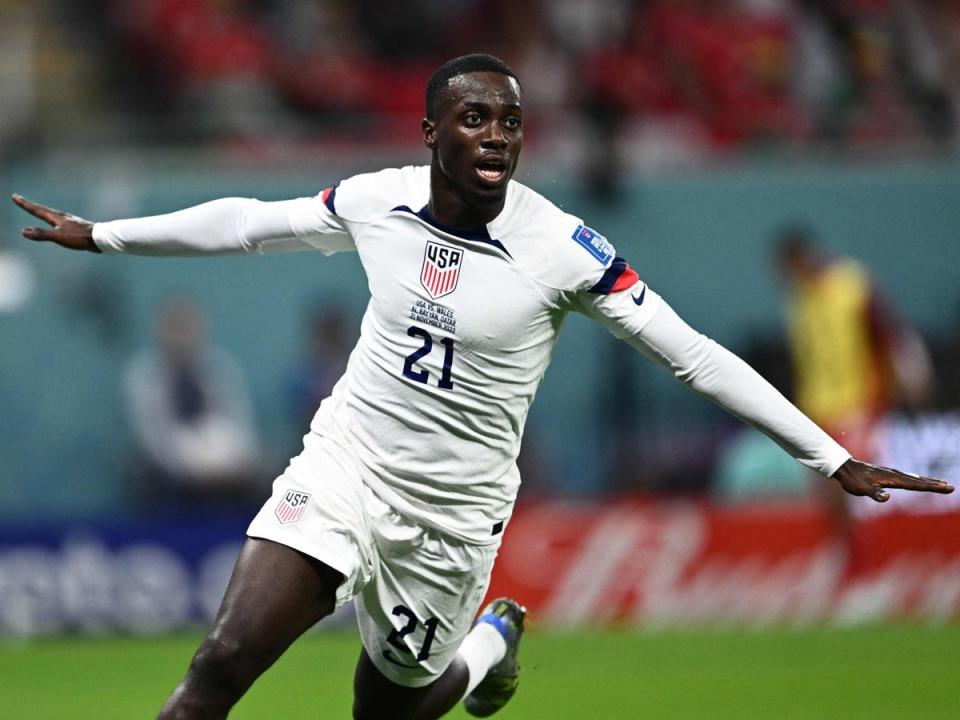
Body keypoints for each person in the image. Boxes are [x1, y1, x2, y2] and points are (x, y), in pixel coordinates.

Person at [12, 54, 953, 720]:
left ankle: (490, 645)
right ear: (431, 133)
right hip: (347, 468)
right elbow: (252, 222)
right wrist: (104, 233)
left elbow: (693, 354)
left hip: (454, 518)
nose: (497, 136)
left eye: (510, 121)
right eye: (475, 118)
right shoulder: (377, 200)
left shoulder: (564, 250)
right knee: (221, 663)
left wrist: (830, 458)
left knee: (389, 709)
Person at [125, 297, 262, 507]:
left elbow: (241, 422)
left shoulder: (219, 368)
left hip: (225, 461)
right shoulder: (145, 375)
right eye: (174, 328)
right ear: (160, 331)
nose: (180, 335)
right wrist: (186, 468)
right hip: (175, 466)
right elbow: (151, 436)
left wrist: (241, 462)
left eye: (186, 327)